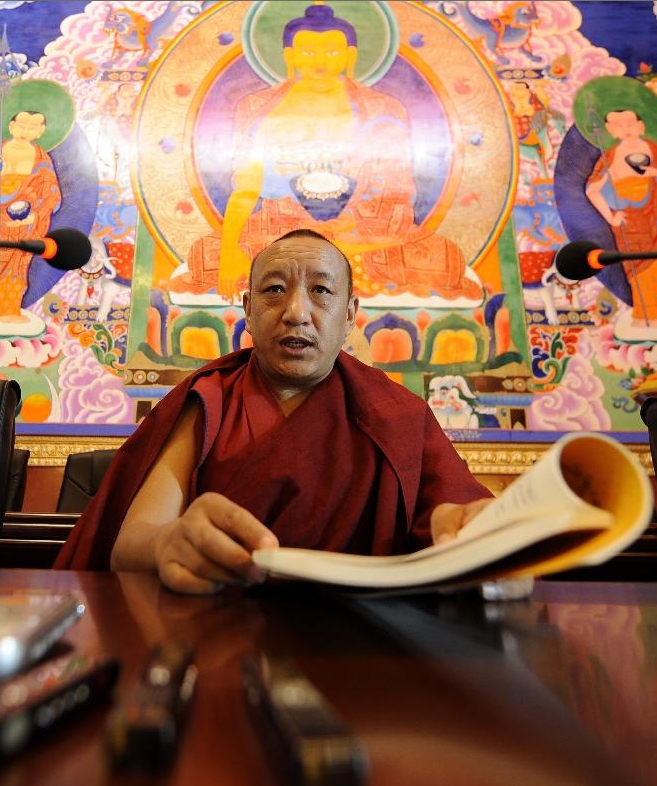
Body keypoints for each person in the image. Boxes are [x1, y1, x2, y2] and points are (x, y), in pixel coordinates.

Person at [55, 229, 492, 593]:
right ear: (247, 308)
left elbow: (456, 518)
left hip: (356, 646)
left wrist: (458, 530)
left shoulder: (396, 416)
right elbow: (129, 544)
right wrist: (169, 543)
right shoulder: (210, 400)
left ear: (350, 315)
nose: (296, 312)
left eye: (321, 291)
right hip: (213, 630)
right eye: (274, 290)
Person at [172, 2, 482, 304]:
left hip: (359, 233)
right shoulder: (255, 109)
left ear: (350, 56)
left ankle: (323, 263)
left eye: (332, 51)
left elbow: (397, 195)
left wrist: (347, 227)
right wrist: (229, 251)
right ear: (289, 56)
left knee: (443, 257)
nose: (319, 60)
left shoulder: (384, 109)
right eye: (307, 51)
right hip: (280, 231)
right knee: (205, 255)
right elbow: (246, 189)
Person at [585, 108, 657, 326]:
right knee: (638, 266)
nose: (626, 129)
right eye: (619, 125)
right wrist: (611, 218)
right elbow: (592, 190)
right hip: (629, 220)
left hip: (653, 215)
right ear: (609, 130)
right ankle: (645, 315)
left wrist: (651, 173)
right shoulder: (611, 155)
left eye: (630, 123)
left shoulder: (652, 148)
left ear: (641, 126)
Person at [0, 110, 62, 323]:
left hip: (23, 224)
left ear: (41, 131)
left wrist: (34, 216)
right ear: (11, 126)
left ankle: (8, 312)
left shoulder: (41, 159)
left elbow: (51, 193)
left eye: (33, 127)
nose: (26, 131)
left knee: (16, 266)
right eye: (22, 125)